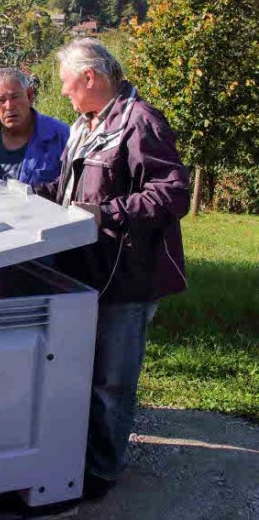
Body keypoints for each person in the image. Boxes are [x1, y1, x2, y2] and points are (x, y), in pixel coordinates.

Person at [34, 38, 189, 501]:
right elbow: (66, 191)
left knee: (111, 383)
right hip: (85, 273)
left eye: (66, 83)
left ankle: (101, 474)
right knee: (81, 375)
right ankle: (78, 461)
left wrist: (109, 212)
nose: (63, 93)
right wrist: (20, 193)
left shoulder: (140, 121)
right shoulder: (85, 126)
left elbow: (172, 192)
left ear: (90, 77)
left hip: (127, 277)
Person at [0, 67, 69, 184]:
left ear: (29, 95)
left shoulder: (61, 135)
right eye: (1, 100)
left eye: (15, 97)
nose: (9, 106)